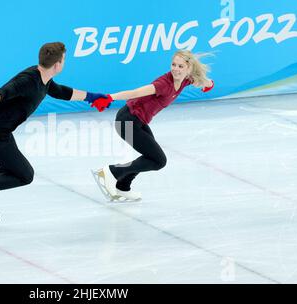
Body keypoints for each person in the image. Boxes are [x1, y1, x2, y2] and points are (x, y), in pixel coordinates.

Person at [0, 42, 107, 225]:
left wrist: (91, 97)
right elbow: (1, 92)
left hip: (1, 130)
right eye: (64, 59)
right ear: (57, 64)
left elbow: (61, 92)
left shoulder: (44, 78)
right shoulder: (28, 80)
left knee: (11, 166)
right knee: (25, 175)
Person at [91, 50, 214, 201]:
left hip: (138, 121)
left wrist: (208, 84)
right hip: (127, 122)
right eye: (173, 64)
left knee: (150, 157)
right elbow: (135, 92)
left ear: (188, 69)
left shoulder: (185, 80)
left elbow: (202, 82)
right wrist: (109, 98)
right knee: (158, 161)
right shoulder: (163, 84)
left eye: (180, 66)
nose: (175, 69)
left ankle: (123, 187)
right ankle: (111, 171)